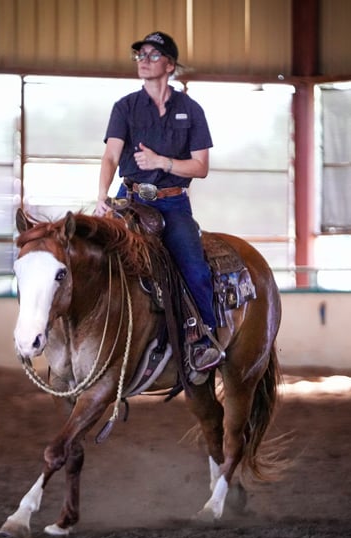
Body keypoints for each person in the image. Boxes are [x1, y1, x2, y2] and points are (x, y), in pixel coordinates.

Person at [94, 31, 221, 373]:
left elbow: (201, 167)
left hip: (172, 203)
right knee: (93, 257)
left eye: (152, 55)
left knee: (194, 268)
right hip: (129, 200)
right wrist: (102, 196)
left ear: (169, 65)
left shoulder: (191, 111)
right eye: (140, 56)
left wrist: (162, 162)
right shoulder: (125, 107)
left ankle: (203, 340)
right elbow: (110, 156)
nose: (144, 61)